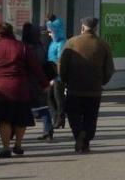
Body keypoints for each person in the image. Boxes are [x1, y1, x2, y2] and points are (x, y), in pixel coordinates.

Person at [0, 22, 49, 157]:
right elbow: (36, 67)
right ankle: (18, 145)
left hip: (0, 89)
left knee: (3, 119)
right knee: (21, 118)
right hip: (20, 88)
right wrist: (44, 83)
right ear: (12, 32)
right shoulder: (22, 47)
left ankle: (5, 148)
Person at [59, 16, 115, 154]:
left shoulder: (71, 42)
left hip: (74, 88)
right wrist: (102, 81)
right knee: (91, 116)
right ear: (95, 28)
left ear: (82, 27)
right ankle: (86, 143)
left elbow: (62, 66)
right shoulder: (103, 44)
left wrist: (65, 80)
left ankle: (78, 133)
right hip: (94, 89)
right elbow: (109, 69)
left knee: (73, 114)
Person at [21, 23, 54, 140]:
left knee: (22, 106)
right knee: (43, 106)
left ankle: (14, 132)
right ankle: (48, 130)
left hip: (27, 80)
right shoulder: (40, 46)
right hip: (40, 80)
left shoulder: (25, 47)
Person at [46, 18, 67, 129]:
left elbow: (60, 60)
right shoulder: (54, 42)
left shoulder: (61, 43)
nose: (49, 34)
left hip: (57, 75)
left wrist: (55, 76)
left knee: (57, 96)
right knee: (51, 96)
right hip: (52, 73)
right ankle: (57, 117)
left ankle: (60, 118)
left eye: (51, 32)